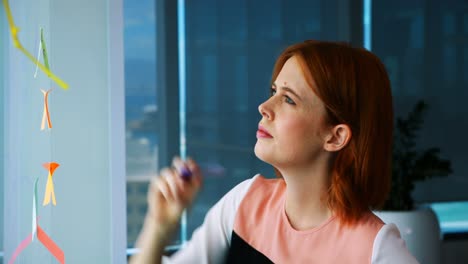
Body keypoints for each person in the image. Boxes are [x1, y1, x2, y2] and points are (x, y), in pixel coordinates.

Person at [130, 40, 419, 264]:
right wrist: (158, 226)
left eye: (289, 100)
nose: (264, 108)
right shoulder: (243, 204)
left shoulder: (374, 248)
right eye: (273, 92)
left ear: (336, 136)